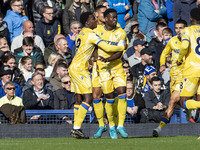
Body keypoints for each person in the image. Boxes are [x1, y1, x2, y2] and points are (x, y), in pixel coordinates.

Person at [69, 12, 126, 139]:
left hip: (74, 67)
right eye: (93, 19)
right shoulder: (90, 34)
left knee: (79, 99)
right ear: (87, 23)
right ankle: (76, 128)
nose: (96, 21)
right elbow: (106, 47)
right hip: (80, 69)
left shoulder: (82, 33)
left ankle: (76, 127)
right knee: (88, 98)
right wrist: (120, 45)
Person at [94, 9, 128, 139]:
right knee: (109, 97)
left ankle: (120, 125)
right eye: (112, 17)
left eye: (116, 17)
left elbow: (119, 52)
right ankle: (111, 126)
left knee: (123, 93)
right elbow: (94, 49)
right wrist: (97, 59)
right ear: (105, 18)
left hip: (116, 66)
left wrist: (107, 59)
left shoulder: (121, 32)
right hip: (103, 69)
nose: (115, 19)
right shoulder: (97, 31)